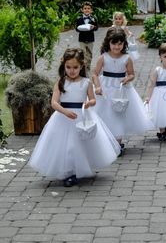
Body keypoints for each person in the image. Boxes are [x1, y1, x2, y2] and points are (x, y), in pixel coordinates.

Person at [29, 48, 120, 187]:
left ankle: (81, 167)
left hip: (82, 116)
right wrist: (64, 112)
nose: (72, 70)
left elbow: (93, 99)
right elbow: (54, 102)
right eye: (68, 67)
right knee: (67, 145)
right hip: (63, 118)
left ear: (82, 66)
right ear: (63, 66)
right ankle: (69, 172)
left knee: (81, 143)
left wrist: (89, 103)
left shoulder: (86, 82)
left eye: (75, 67)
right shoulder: (61, 82)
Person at [92, 27, 153, 155]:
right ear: (108, 43)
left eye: (120, 43)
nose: (117, 46)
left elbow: (131, 74)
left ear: (124, 44)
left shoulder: (127, 58)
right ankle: (106, 141)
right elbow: (95, 74)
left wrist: (127, 78)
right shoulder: (103, 57)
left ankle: (118, 142)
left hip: (121, 88)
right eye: (114, 43)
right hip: (106, 88)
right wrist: (97, 86)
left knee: (119, 114)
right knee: (105, 113)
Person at [75, 1, 98, 71]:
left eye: (88, 8)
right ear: (82, 10)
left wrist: (93, 27)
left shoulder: (93, 18)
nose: (87, 10)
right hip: (82, 39)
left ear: (91, 10)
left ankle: (88, 65)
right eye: (85, 8)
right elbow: (76, 28)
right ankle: (83, 66)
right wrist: (80, 28)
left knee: (89, 54)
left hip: (90, 39)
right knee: (83, 53)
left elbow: (97, 28)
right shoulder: (79, 19)